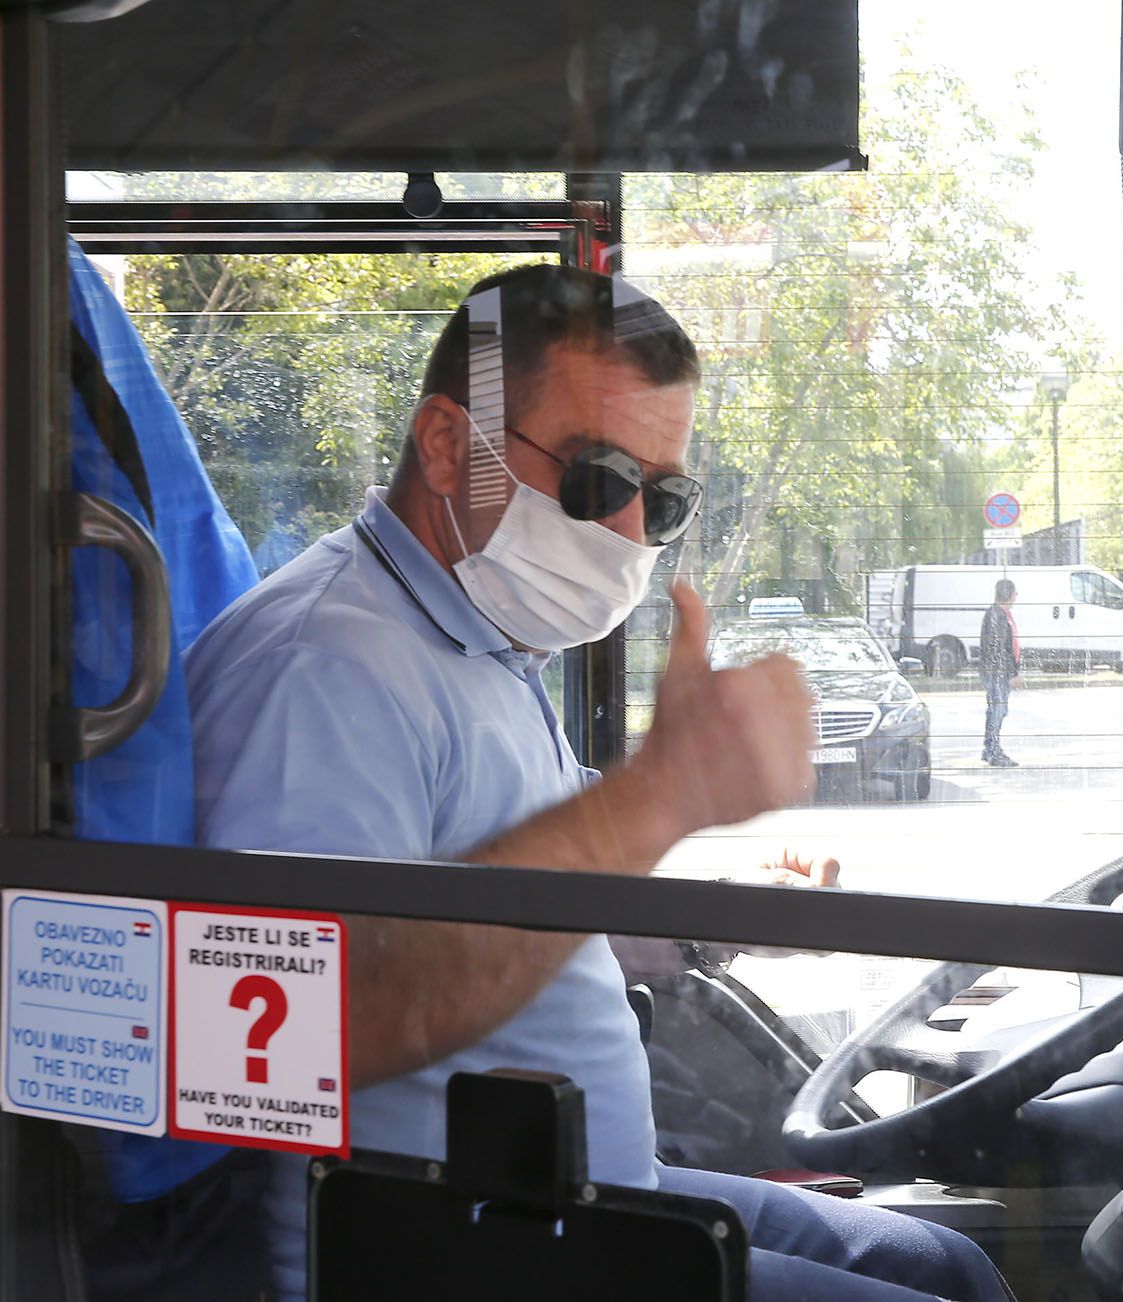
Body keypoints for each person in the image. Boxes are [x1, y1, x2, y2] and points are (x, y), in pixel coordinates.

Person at [187, 265, 1007, 1302]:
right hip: (438, 1248)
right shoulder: (327, 669)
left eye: (660, 499)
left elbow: (525, 902)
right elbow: (287, 1031)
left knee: (944, 1263)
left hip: (564, 1193)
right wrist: (657, 796)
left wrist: (710, 915)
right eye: (596, 477)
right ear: (446, 446)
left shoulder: (479, 643)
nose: (627, 532)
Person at [979, 579, 1022, 767]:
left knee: (997, 711)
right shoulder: (996, 616)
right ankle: (993, 751)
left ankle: (989, 748)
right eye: (1015, 592)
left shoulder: (1002, 614)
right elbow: (999, 650)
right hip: (996, 673)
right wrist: (1010, 674)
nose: (1016, 596)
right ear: (1009, 594)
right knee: (997, 711)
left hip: (998, 672)